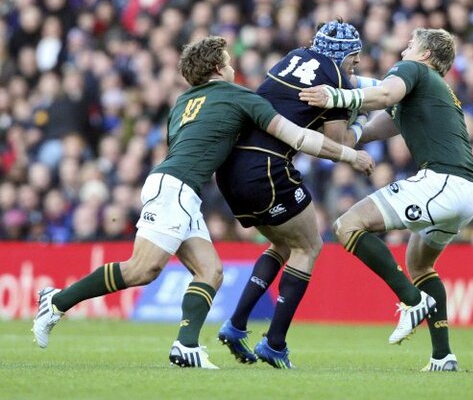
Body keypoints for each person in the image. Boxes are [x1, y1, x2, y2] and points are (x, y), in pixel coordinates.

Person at [32, 35, 374, 369]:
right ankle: (57, 301)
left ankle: (186, 346)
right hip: (176, 189)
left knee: (210, 271)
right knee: (142, 269)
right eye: (228, 62)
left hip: (173, 185)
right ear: (217, 68)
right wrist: (351, 155)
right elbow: (297, 137)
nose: (233, 67)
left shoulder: (182, 102)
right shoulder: (239, 96)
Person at [299, 28, 473, 372]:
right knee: (420, 266)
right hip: (466, 192)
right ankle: (443, 357)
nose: (402, 51)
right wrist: (349, 133)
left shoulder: (414, 71)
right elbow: (376, 125)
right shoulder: (426, 90)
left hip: (442, 182)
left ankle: (411, 301)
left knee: (347, 225)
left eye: (411, 45)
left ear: (425, 55)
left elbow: (382, 94)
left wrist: (335, 97)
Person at [215, 18, 370, 369]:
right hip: (266, 169)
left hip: (231, 170)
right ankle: (274, 343)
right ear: (342, 54)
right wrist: (360, 118)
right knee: (309, 246)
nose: (358, 61)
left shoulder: (293, 57)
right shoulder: (336, 76)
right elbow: (338, 143)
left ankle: (236, 325)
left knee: (284, 244)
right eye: (354, 54)